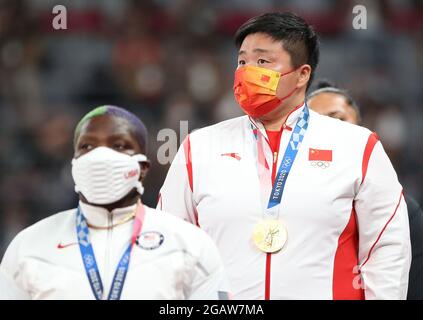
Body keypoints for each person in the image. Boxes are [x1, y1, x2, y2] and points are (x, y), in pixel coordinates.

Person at [157, 12, 411, 299]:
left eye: (262, 61)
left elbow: (387, 247)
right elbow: (169, 247)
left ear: (302, 75)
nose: (247, 71)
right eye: (242, 61)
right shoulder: (199, 147)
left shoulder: (356, 146)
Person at [0, 105, 229, 300]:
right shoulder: (28, 247)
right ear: (74, 164)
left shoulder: (190, 245)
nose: (100, 157)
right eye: (87, 146)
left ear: (142, 168)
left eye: (118, 145)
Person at [307, 80, 423, 300]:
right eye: (315, 122)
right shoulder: (283, 206)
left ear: (361, 130)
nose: (327, 129)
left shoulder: (404, 212)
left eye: (338, 119)